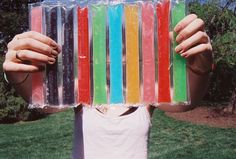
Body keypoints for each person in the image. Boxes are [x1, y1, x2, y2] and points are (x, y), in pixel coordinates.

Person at [3, 14, 213, 159]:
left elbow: (188, 102)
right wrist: (17, 75)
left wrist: (200, 69)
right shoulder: (83, 89)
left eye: (123, 49)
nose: (114, 58)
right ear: (93, 54)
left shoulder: (145, 91)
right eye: (107, 49)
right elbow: (42, 102)